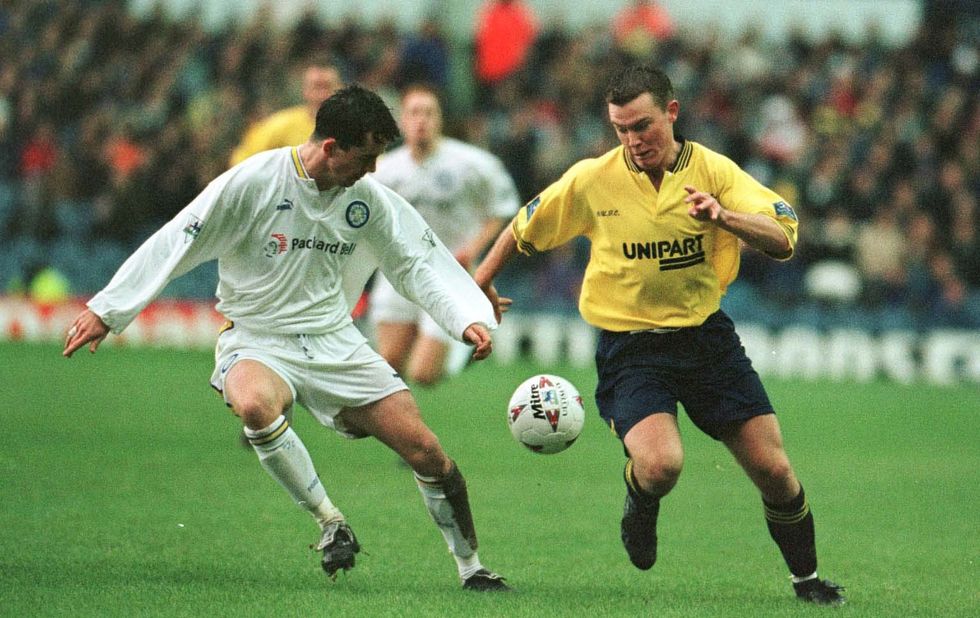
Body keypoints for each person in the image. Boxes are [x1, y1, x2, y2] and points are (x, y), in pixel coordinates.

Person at [63, 85, 510, 591]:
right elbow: (178, 238)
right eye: (365, 157)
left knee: (427, 452)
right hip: (256, 337)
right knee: (254, 405)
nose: (373, 170)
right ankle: (330, 521)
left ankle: (472, 567)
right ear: (330, 147)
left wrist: (466, 316)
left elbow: (418, 261)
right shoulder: (253, 182)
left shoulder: (369, 199)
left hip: (333, 341)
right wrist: (109, 309)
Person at [473, 65, 845, 605]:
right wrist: (480, 282)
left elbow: (784, 237)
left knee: (774, 470)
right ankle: (640, 500)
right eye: (621, 129)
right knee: (661, 465)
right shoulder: (592, 178)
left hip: (706, 340)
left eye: (642, 126)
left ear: (671, 113)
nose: (632, 140)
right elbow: (523, 225)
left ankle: (806, 581)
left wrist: (725, 217)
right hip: (631, 347)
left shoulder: (714, 172)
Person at [369, 83, 520, 385]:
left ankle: (460, 353)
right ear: (402, 121)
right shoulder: (384, 170)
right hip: (398, 272)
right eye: (414, 113)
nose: (421, 120)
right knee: (389, 365)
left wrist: (473, 250)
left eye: (429, 113)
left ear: (440, 120)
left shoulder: (473, 164)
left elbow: (504, 207)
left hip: (449, 272)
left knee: (424, 374)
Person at [228, 62, 343, 166]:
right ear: (305, 90)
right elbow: (242, 158)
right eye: (316, 87)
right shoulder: (281, 125)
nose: (322, 95)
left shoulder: (353, 129)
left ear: (340, 89)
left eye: (327, 87)